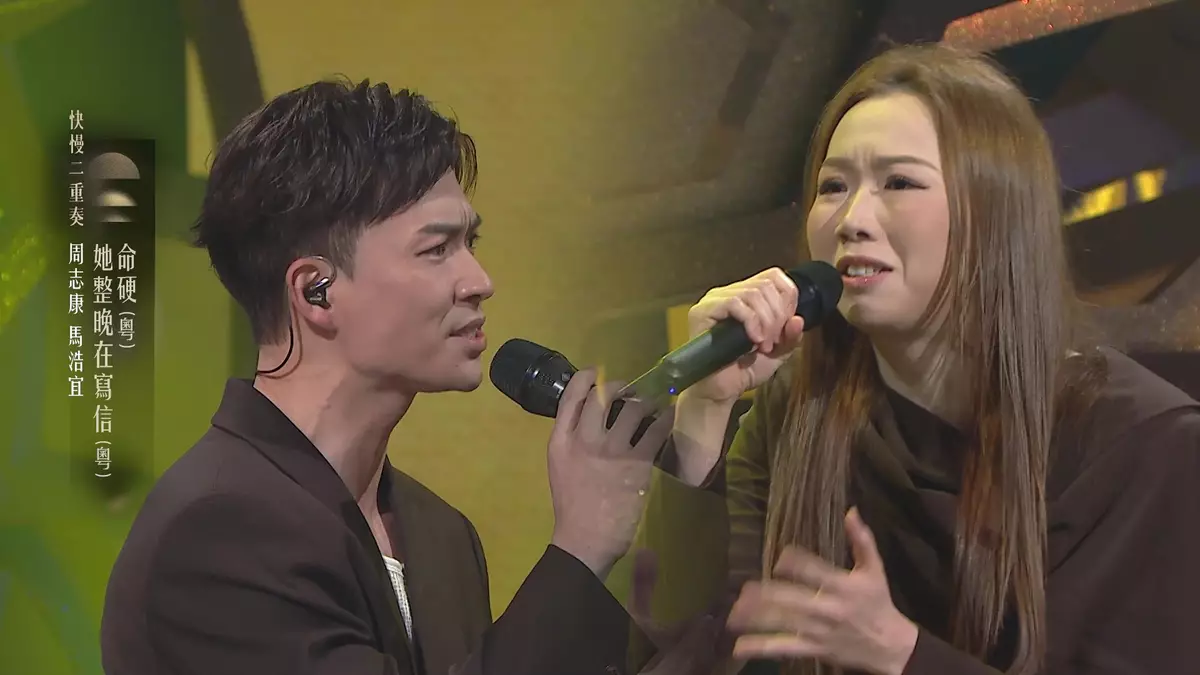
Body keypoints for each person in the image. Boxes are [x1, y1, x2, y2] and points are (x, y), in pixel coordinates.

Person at [99, 78, 713, 675]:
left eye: (470, 243)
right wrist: (581, 545)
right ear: (316, 291)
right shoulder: (217, 531)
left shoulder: (439, 534)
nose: (479, 282)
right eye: (436, 249)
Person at [639, 44, 1200, 675]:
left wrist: (901, 655)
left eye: (899, 183)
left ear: (993, 213)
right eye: (833, 186)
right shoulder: (794, 411)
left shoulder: (1142, 444)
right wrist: (703, 410)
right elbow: (685, 650)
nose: (852, 219)